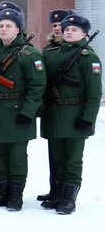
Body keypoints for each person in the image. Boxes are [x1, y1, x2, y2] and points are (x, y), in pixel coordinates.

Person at [0, 8, 44, 211]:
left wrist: (28, 113)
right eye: (0, 25)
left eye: (9, 25)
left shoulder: (29, 54)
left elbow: (37, 86)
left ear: (18, 29)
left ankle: (15, 195)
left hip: (17, 111)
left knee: (16, 155)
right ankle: (1, 191)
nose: (4, 29)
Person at [39, 13, 99, 215]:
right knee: (58, 158)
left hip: (75, 116)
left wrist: (87, 118)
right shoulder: (52, 53)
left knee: (72, 159)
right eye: (66, 30)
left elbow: (94, 93)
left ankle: (68, 198)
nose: (69, 33)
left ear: (84, 34)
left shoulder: (89, 58)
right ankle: (58, 193)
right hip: (55, 113)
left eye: (74, 30)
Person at [36, 8, 74, 205]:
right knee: (54, 154)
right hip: (52, 110)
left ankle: (67, 197)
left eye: (61, 25)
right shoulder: (48, 51)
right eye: (54, 26)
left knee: (71, 157)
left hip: (71, 111)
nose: (58, 29)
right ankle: (55, 190)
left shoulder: (80, 52)